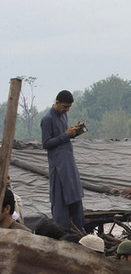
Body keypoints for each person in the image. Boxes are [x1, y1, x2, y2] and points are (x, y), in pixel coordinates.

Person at [41, 90, 86, 233]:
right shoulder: (47, 119)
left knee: (75, 195)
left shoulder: (63, 115)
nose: (66, 110)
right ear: (57, 103)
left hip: (69, 162)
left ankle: (79, 229)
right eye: (65, 106)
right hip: (58, 165)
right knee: (60, 200)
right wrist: (65, 135)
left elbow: (64, 136)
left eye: (69, 108)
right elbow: (46, 143)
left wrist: (75, 132)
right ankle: (63, 232)